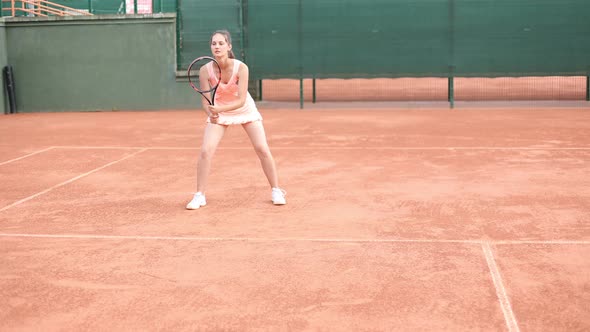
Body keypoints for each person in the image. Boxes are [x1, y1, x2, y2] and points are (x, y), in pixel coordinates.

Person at [186, 30, 286, 209]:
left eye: (221, 43)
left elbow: (240, 100)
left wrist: (219, 109)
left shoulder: (241, 68)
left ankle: (276, 190)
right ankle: (199, 195)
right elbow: (204, 101)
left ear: (229, 46)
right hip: (220, 111)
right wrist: (211, 114)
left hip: (244, 109)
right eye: (214, 43)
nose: (217, 46)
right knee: (205, 151)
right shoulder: (204, 70)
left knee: (262, 149)